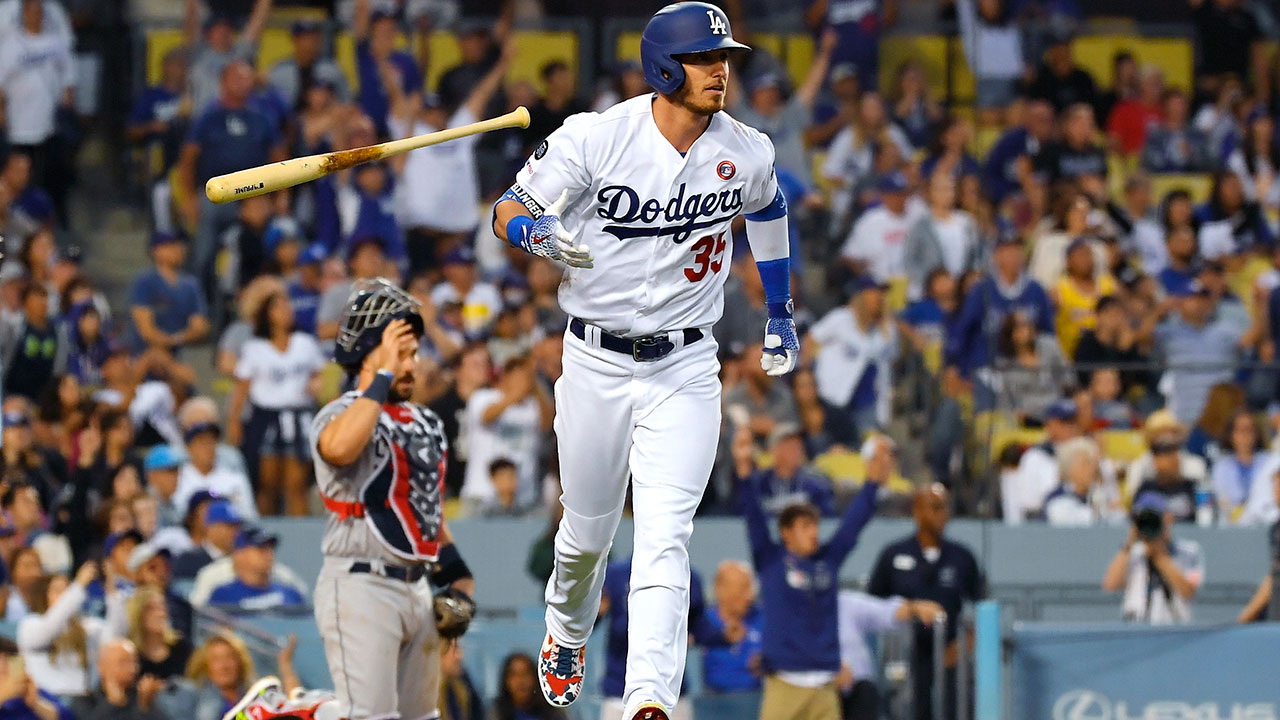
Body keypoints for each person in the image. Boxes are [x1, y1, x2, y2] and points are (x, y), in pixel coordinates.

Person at [491, 6, 796, 718]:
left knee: (667, 535)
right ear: (665, 66)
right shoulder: (598, 137)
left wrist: (780, 311)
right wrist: (537, 232)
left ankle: (647, 700)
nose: (721, 68)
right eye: (704, 57)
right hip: (594, 359)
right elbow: (505, 209)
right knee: (586, 532)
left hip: (686, 366)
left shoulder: (746, 149)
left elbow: (770, 207)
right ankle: (566, 633)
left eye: (724, 56)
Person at [224, 279, 474, 720]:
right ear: (370, 354)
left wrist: (457, 578)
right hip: (360, 583)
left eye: (413, 353)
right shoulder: (338, 412)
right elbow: (340, 448)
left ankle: (294, 710)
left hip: (416, 585)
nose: (411, 364)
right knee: (372, 717)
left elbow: (425, 510)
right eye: (401, 352)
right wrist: (381, 372)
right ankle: (288, 713)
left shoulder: (425, 423)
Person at [739, 444, 883, 720]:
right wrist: (745, 478)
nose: (814, 533)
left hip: (825, 687)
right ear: (786, 533)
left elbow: (852, 526)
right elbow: (753, 518)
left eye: (815, 526)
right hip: (784, 684)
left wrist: (872, 485)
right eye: (805, 527)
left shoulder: (827, 563)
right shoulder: (770, 561)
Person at [867, 485, 985, 720]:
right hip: (906, 653)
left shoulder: (962, 556)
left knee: (954, 710)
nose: (944, 514)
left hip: (949, 652)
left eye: (946, 507)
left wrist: (966, 643)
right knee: (907, 711)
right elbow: (872, 605)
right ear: (917, 511)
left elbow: (984, 605)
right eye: (936, 507)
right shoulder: (893, 555)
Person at [225, 290, 326, 516]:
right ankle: (266, 531)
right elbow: (241, 389)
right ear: (267, 314)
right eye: (280, 307)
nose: (287, 311)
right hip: (266, 419)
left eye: (288, 306)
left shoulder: (305, 343)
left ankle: (300, 535)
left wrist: (316, 384)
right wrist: (234, 422)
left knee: (297, 485)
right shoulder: (254, 349)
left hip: (299, 417)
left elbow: (319, 374)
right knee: (267, 484)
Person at [807, 276, 898, 445]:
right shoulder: (841, 319)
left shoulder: (887, 330)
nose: (879, 297)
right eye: (874, 293)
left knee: (863, 451)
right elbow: (810, 341)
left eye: (881, 294)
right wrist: (809, 380)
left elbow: (890, 364)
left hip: (867, 403)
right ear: (862, 295)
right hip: (832, 399)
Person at [835, 590, 944, 720]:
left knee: (865, 690)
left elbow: (884, 611)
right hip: (819, 688)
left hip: (857, 691)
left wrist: (914, 608)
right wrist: (830, 667)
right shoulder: (804, 613)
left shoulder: (845, 603)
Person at [1102, 492, 1203, 624]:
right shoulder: (1133, 553)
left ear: (1168, 518)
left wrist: (1158, 555)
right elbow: (1110, 585)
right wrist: (1130, 543)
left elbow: (1188, 591)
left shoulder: (1188, 551)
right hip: (1135, 628)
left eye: (1154, 519)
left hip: (1174, 628)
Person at [18, 564, 112, 702]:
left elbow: (113, 638)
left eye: (66, 590)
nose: (65, 597)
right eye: (58, 591)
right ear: (44, 596)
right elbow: (49, 628)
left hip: (81, 701)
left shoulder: (85, 627)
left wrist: (112, 593)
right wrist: (78, 586)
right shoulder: (31, 624)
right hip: (46, 700)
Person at [127, 232, 209, 355]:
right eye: (171, 245)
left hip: (179, 354)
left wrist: (176, 339)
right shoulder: (145, 282)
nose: (178, 249)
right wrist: (172, 340)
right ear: (156, 251)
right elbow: (147, 331)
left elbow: (200, 327)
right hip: (143, 354)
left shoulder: (190, 284)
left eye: (180, 245)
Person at [732, 425, 835, 516]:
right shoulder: (758, 482)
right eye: (788, 445)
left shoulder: (815, 483)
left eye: (798, 445)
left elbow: (827, 517)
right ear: (773, 450)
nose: (795, 450)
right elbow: (742, 513)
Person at [205, 528, 305, 611]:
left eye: (271, 548)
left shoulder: (290, 592)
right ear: (240, 555)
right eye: (261, 549)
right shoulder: (223, 596)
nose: (269, 554)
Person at [701, 561, 762, 694]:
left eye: (751, 588)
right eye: (743, 588)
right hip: (714, 702)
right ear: (720, 589)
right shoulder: (703, 623)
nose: (750, 595)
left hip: (757, 698)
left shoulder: (762, 619)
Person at [175, 423, 256, 521]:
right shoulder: (176, 478)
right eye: (202, 442)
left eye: (212, 441)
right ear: (188, 447)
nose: (208, 447)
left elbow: (248, 516)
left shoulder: (234, 480)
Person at [71, 639, 166, 720]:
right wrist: (111, 703)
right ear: (101, 667)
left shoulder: (144, 696)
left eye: (135, 662)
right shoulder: (84, 700)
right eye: (123, 662)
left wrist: (144, 707)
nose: (132, 669)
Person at [0, 634, 74, 720]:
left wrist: (35, 703)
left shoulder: (31, 691)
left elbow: (66, 716)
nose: (5, 664)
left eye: (10, 659)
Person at [171, 498, 242, 580]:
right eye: (229, 526)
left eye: (237, 526)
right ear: (212, 527)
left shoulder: (240, 561)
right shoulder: (188, 560)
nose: (235, 532)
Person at [489, 653, 566, 720]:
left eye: (525, 674)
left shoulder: (553, 712)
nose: (521, 681)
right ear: (506, 681)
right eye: (514, 675)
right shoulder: (496, 712)